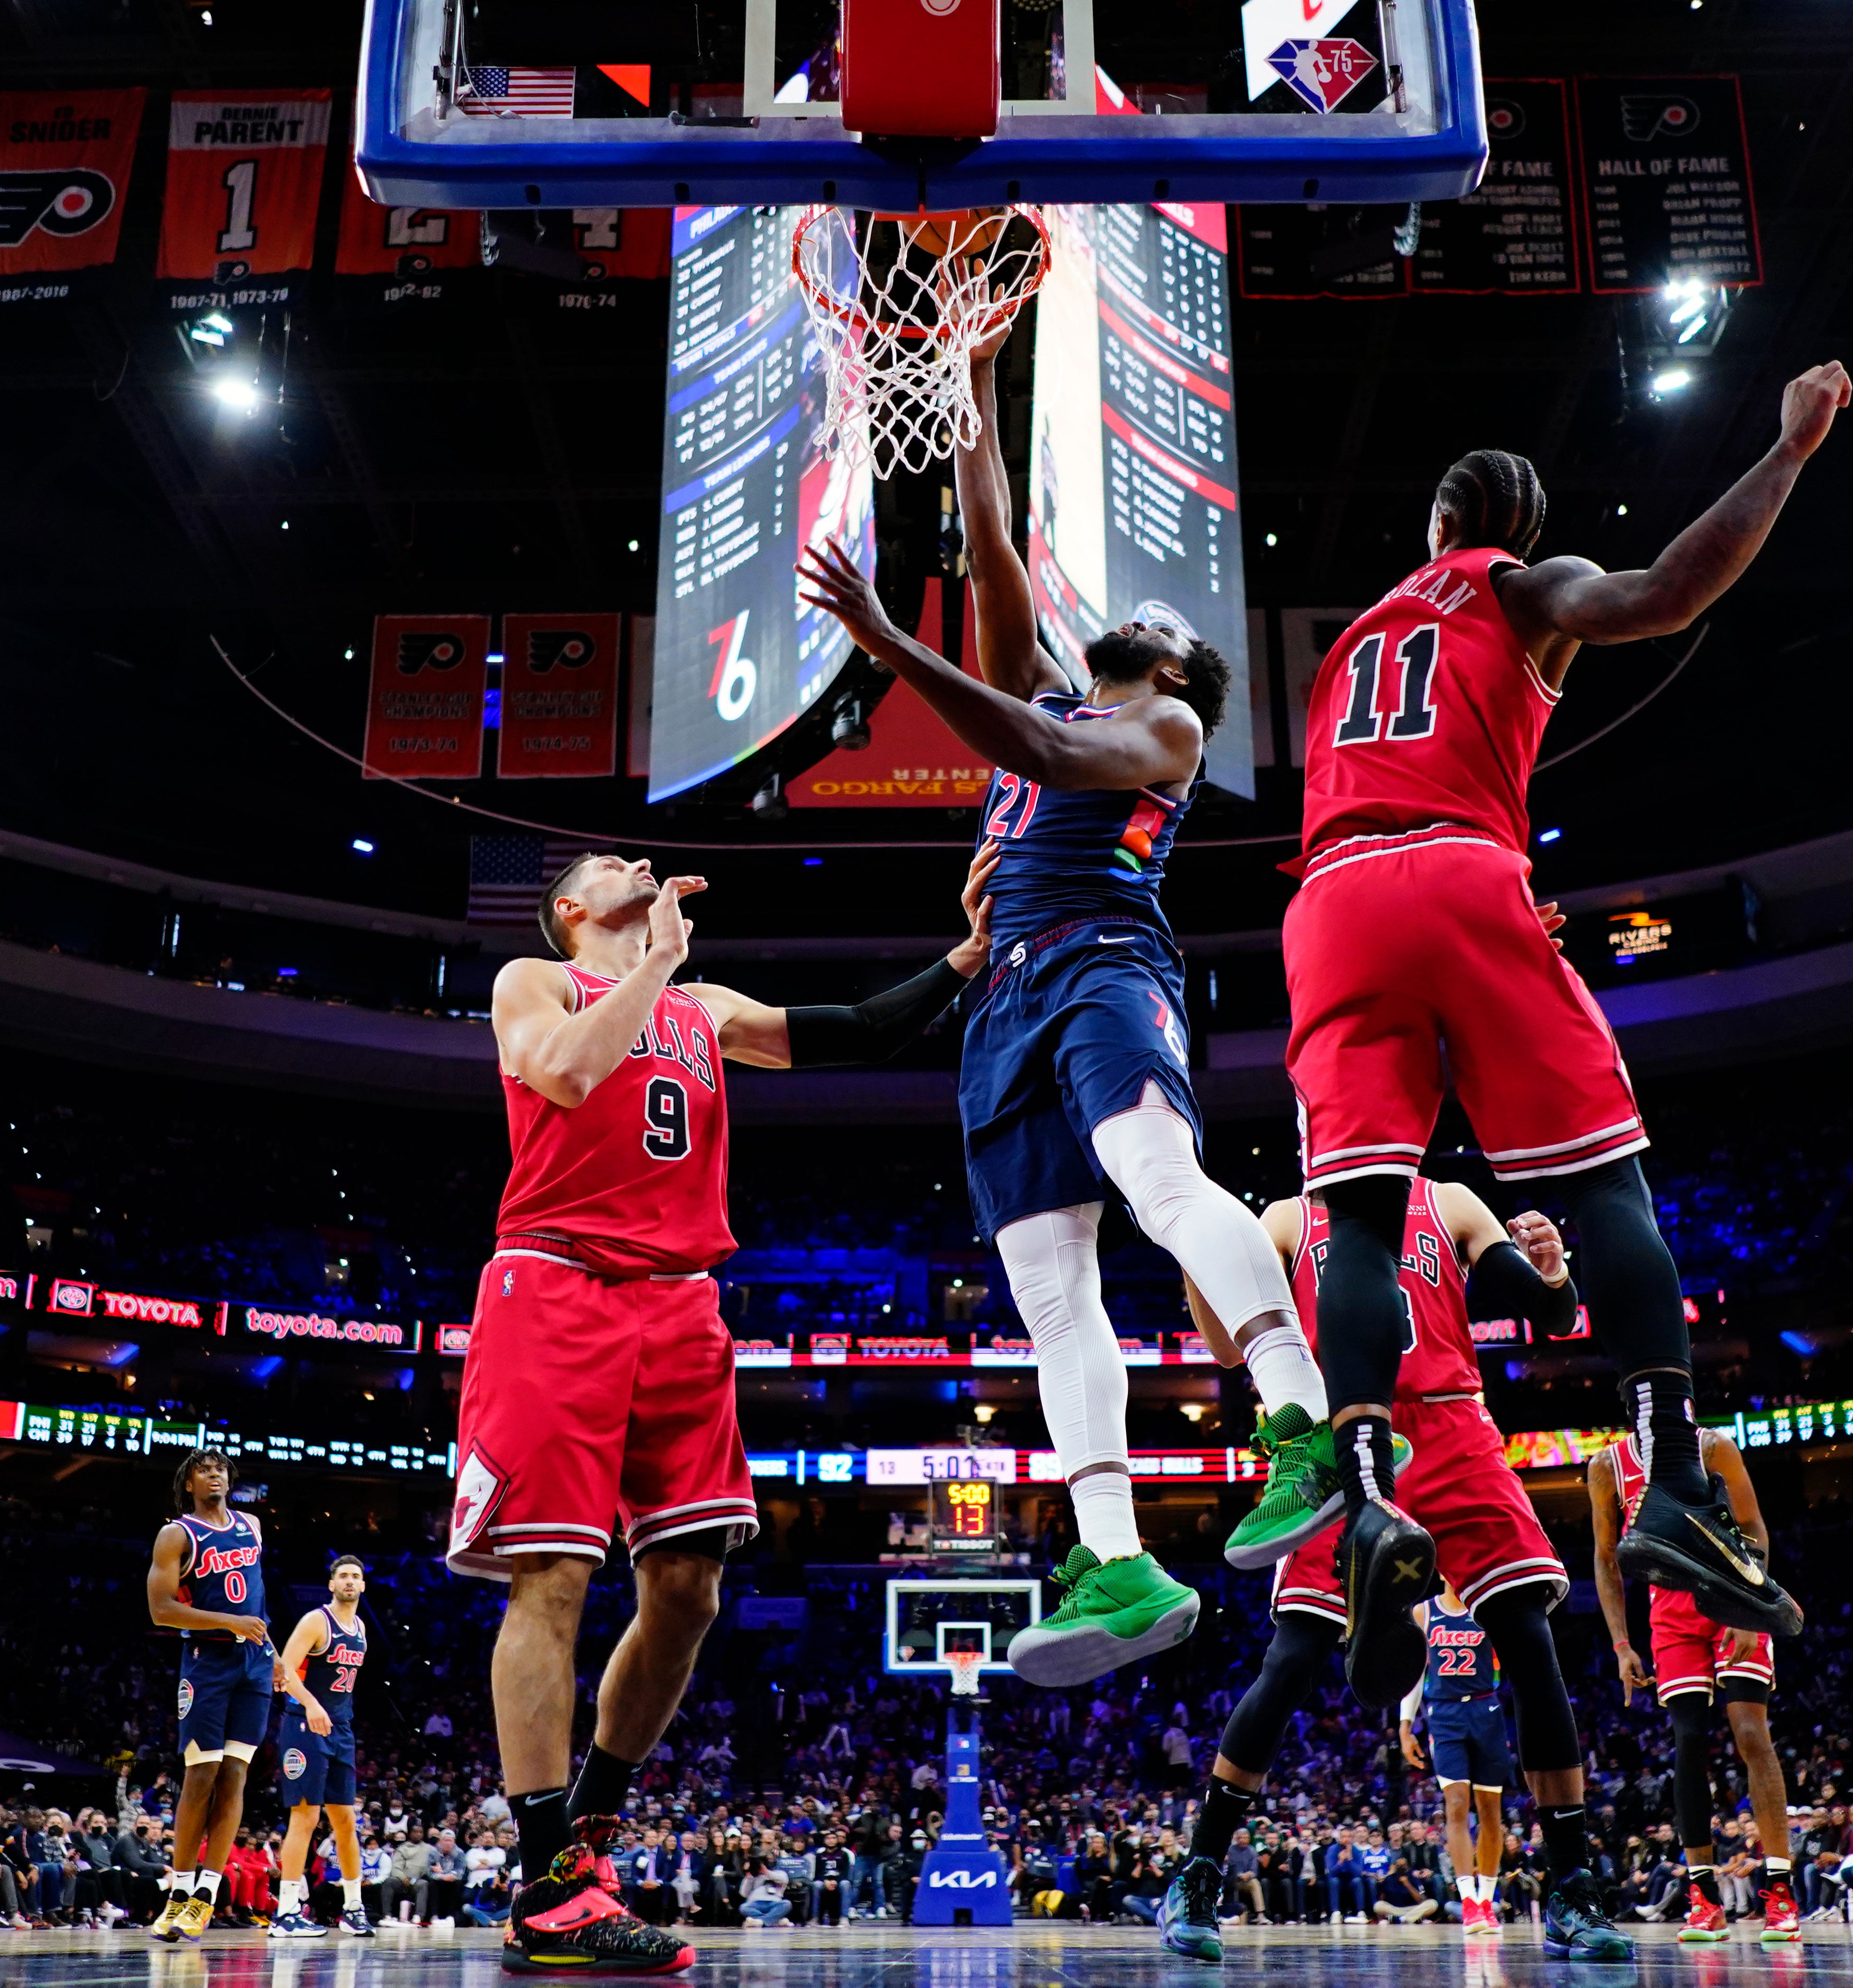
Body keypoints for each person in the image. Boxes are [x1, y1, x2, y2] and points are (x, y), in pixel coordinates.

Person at [1274, 371, 1853, 1701]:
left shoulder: (1349, 642)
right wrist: (1784, 451)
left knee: (1357, 1222)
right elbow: (1660, 592)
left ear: (1430, 519)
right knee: (1603, 1183)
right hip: (1456, 872)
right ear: (1513, 533)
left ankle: (1363, 1492)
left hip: (1326, 905)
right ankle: (1671, 1478)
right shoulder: (1515, 587)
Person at [797, 351, 1346, 1686]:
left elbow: (1042, 755)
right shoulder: (1051, 693)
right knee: (1051, 1295)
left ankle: (1307, 1419)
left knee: (1157, 1179)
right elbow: (990, 544)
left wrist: (881, 639)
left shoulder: (1159, 730)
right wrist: (976, 390)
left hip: (1102, 962)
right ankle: (1112, 1552)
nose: (1131, 628)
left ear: (1172, 674)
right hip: (1001, 997)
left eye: (1156, 630)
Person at [464, 849, 995, 1974]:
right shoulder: (538, 980)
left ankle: (588, 1844)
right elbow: (559, 1074)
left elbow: (855, 1025)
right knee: (552, 1576)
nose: (640, 863)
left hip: (680, 1302)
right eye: (614, 860)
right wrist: (653, 960)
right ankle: (545, 1878)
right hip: (555, 1281)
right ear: (569, 907)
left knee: (690, 1589)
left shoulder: (706, 1008)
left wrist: (967, 951)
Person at [1159, 1178, 1622, 1962]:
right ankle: (1199, 1866)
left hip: (1451, 1422)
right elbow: (1229, 1347)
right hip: (1339, 1430)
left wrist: (1555, 1271)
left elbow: (1547, 1312)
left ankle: (1572, 1884)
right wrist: (1194, 1274)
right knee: (1295, 1656)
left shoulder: (1449, 1201)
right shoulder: (1286, 1216)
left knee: (1530, 1640)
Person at [1589, 1426, 1798, 1942]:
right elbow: (1605, 1557)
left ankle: (1780, 1890)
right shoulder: (1607, 1466)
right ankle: (1703, 1898)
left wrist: (1750, 1610)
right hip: (1669, 1611)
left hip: (1731, 1592)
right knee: (1688, 1742)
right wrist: (1620, 1643)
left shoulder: (1712, 1445)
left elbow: (1752, 1527)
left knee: (1751, 1733)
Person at [144, 1444, 276, 1941]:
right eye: (204, 1469)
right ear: (190, 1483)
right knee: (200, 1776)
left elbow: (258, 1602)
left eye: (220, 1467)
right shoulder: (177, 1533)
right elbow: (160, 1610)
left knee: (236, 1775)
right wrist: (228, 1620)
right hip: (207, 1662)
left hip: (255, 1663)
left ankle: (207, 1895)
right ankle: (178, 1891)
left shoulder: (252, 1526)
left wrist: (276, 1654)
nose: (214, 1474)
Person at [270, 1553, 377, 1938]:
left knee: (346, 1820)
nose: (350, 1581)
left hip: (340, 1727)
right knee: (306, 1817)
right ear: (331, 1584)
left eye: (356, 1576)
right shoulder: (317, 1620)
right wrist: (312, 1704)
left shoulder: (361, 1626)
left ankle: (353, 1908)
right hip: (304, 1725)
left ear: (363, 1585)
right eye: (343, 1576)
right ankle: (285, 1912)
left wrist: (331, 1712)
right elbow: (281, 1671)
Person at [1400, 1587, 1513, 1938]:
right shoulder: (1424, 1612)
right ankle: (1468, 1903)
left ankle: (1487, 1899)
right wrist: (1405, 1725)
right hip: (1444, 1714)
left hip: (1486, 1709)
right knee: (1456, 1805)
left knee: (1491, 1810)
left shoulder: (1488, 1608)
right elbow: (1413, 1674)